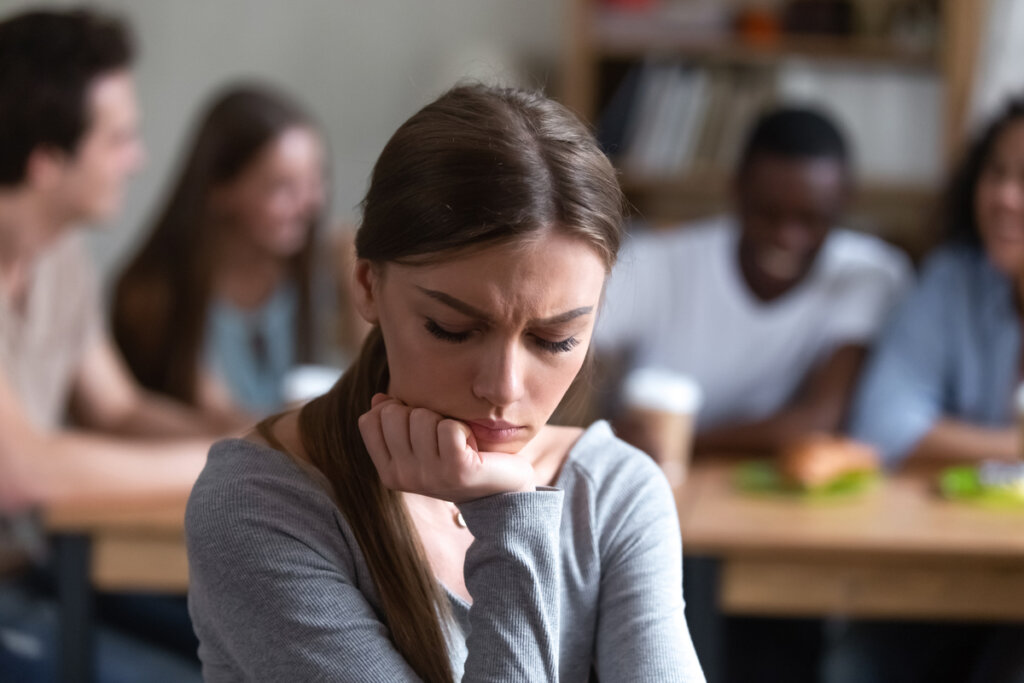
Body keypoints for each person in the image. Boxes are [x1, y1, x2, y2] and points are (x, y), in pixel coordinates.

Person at [186, 84, 706, 682]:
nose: (503, 388)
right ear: (367, 285)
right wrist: (510, 516)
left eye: (554, 340)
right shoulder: (260, 504)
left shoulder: (612, 494)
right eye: (452, 329)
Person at [0, 8, 227, 680]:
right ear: (47, 161)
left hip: (36, 566)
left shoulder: (61, 256)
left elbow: (119, 408)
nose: (138, 159)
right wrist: (235, 459)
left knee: (257, 649)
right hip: (19, 579)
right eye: (119, 139)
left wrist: (260, 435)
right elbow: (21, 472)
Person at [596, 106, 911, 457]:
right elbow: (573, 349)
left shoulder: (868, 275)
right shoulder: (656, 262)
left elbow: (819, 422)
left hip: (732, 472)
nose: (787, 237)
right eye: (767, 214)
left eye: (811, 219)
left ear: (844, 202)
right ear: (737, 189)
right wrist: (600, 429)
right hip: (645, 467)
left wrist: (678, 444)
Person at [112, 84, 345, 420]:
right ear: (219, 189)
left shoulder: (331, 266)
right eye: (283, 187)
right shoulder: (154, 297)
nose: (311, 204)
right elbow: (216, 419)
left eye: (316, 180)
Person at [849, 98, 1024, 466]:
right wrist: (1015, 448)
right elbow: (881, 426)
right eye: (996, 172)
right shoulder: (953, 280)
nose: (1005, 197)